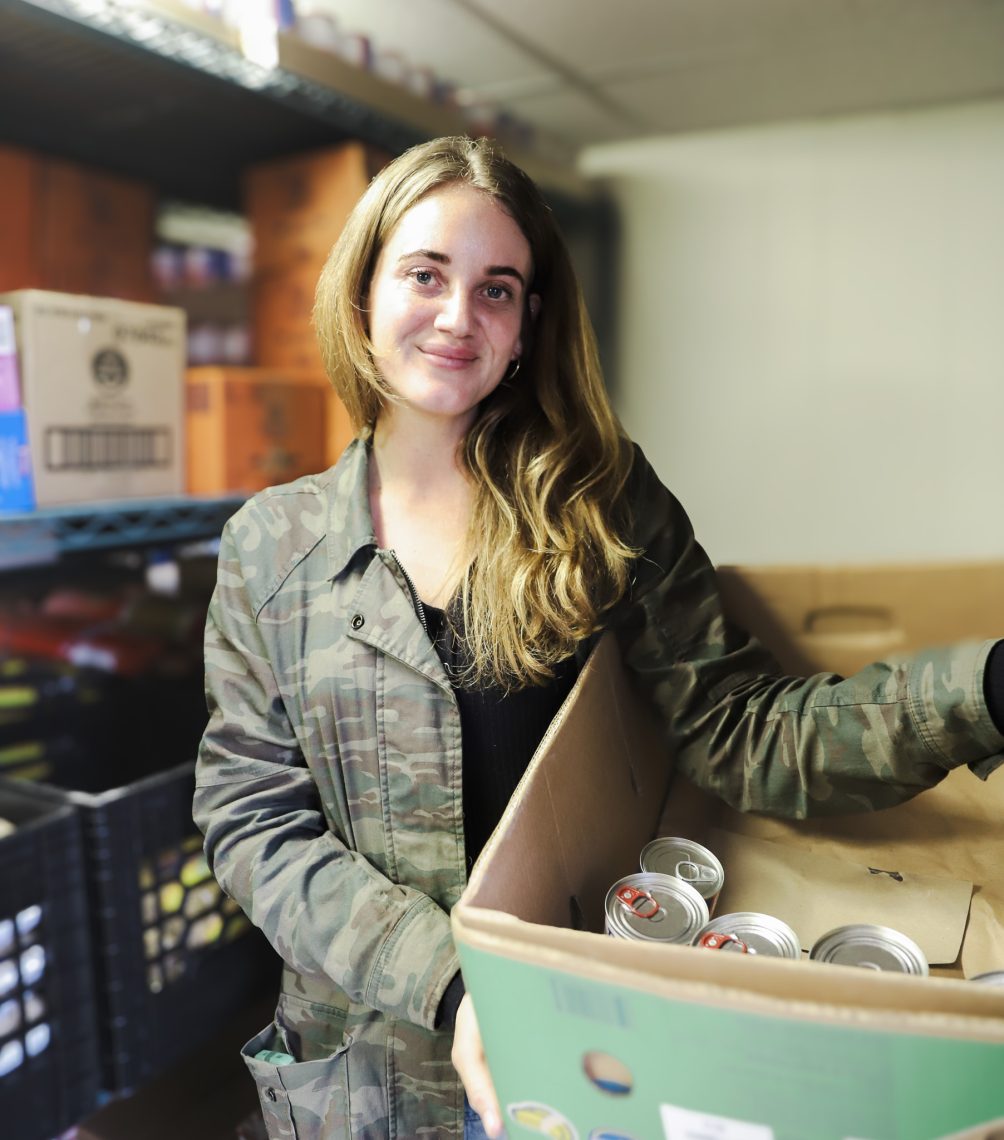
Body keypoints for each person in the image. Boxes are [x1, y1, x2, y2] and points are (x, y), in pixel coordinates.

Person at [193, 134, 1004, 1140]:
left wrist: (980, 693)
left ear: (529, 322)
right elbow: (253, 823)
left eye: (496, 289)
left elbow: (742, 732)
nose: (457, 316)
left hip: (581, 1048)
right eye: (425, 275)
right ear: (361, 294)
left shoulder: (600, 501)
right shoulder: (270, 547)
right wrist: (452, 985)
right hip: (367, 1081)